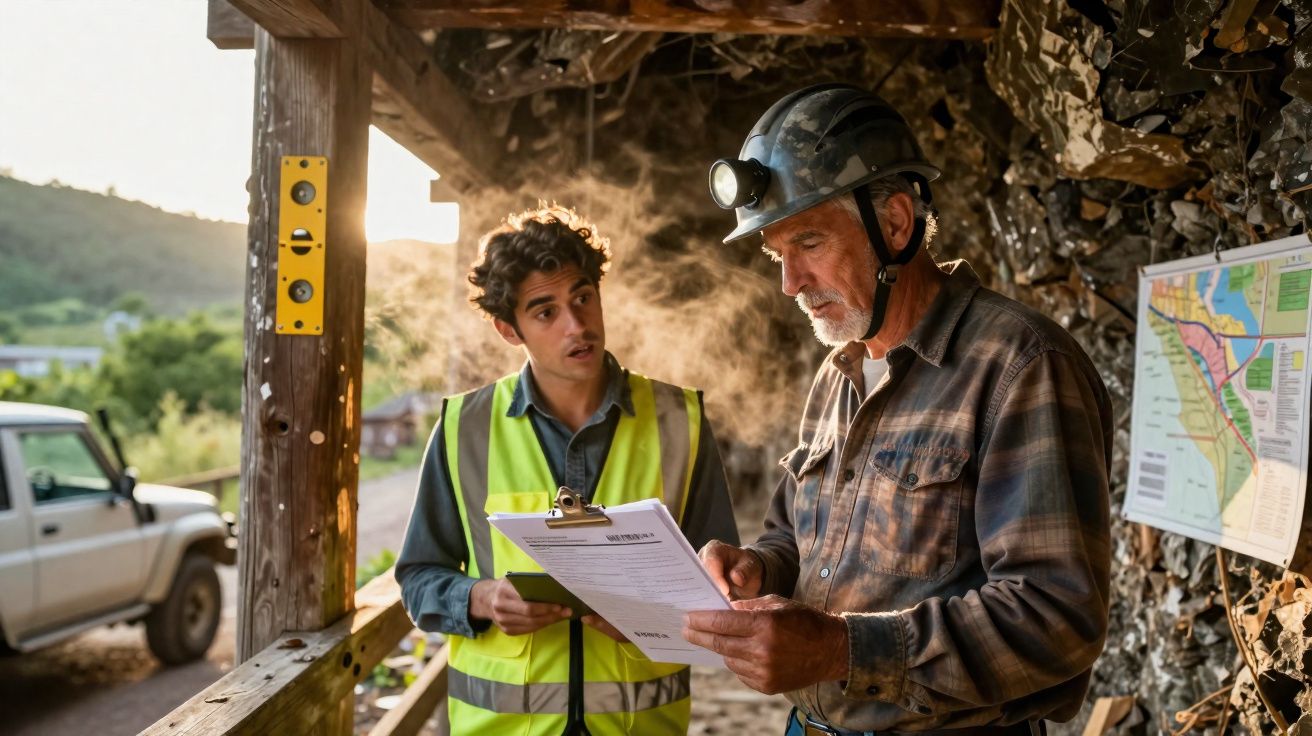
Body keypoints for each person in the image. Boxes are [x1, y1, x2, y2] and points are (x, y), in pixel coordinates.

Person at [684, 84, 1113, 735]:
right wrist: (757, 569)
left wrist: (840, 650)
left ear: (895, 223)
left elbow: (1056, 617)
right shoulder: (839, 369)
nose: (789, 283)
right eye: (778, 255)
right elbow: (793, 538)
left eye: (810, 243)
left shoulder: (1019, 366)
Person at [396, 206, 739, 736]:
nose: (576, 325)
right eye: (545, 311)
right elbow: (419, 579)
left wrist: (658, 622)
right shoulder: (464, 427)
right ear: (508, 329)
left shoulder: (681, 420)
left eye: (582, 298)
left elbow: (723, 587)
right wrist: (481, 598)